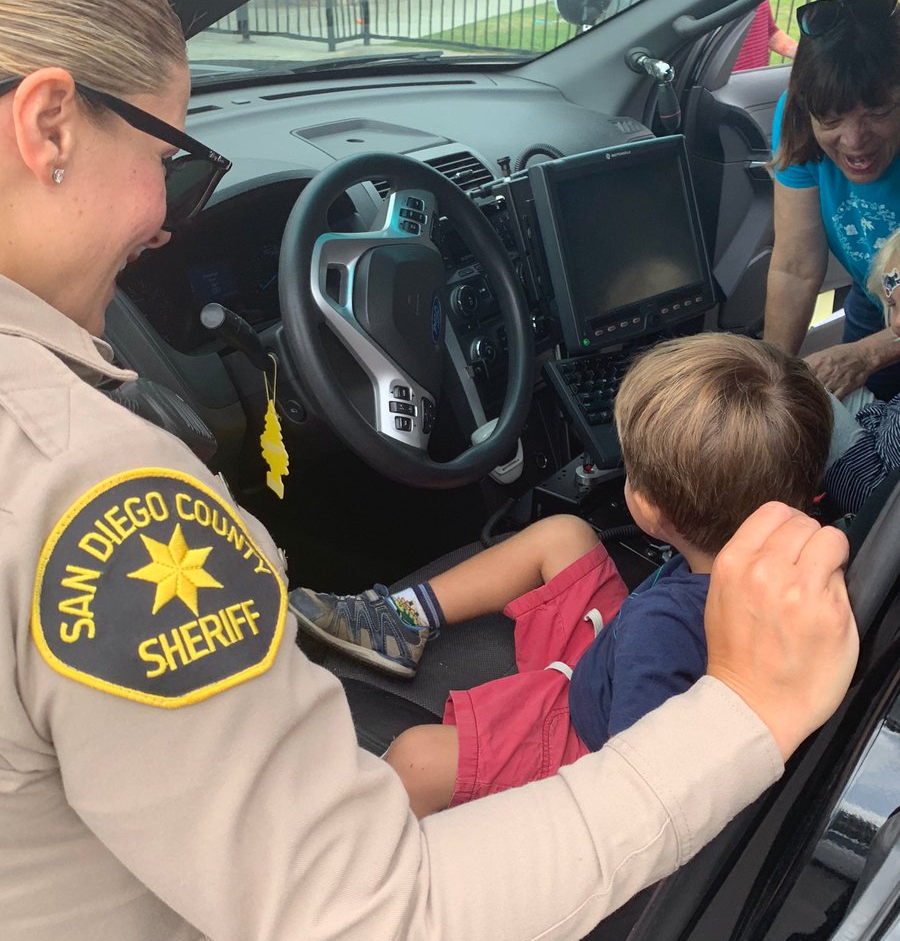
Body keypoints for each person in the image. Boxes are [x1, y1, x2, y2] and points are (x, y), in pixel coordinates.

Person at [0, 0, 858, 941]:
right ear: (48, 123)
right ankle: (390, 614)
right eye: (172, 163)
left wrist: (733, 715)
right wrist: (749, 710)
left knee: (423, 740)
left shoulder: (73, 477)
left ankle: (391, 615)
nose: (163, 221)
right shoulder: (82, 488)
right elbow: (371, 931)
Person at [292, 334, 832, 817]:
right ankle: (403, 620)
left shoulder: (661, 630)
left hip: (588, 742)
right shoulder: (780, 567)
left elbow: (639, 785)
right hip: (614, 659)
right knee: (565, 535)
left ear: (647, 510)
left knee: (418, 759)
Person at [764, 0, 900, 401]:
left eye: (877, 113)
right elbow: (795, 267)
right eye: (831, 121)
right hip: (876, 303)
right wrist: (769, 379)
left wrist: (869, 353)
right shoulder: (797, 116)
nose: (854, 142)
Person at [825, 227, 900, 511]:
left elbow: (877, 496)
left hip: (869, 491)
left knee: (805, 395)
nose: (896, 323)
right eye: (892, 305)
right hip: (882, 434)